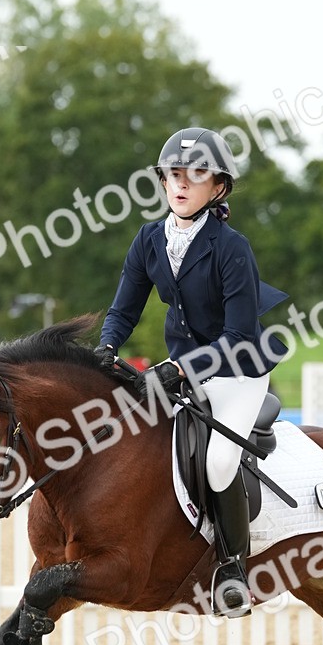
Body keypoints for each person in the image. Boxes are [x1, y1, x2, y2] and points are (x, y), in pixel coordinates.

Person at [96, 127, 288, 617]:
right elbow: (123, 309)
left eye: (195, 176)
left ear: (217, 188)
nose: (181, 184)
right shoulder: (148, 239)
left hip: (238, 374)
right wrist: (106, 346)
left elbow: (240, 335)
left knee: (220, 463)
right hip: (182, 370)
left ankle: (233, 569)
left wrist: (179, 368)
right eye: (173, 175)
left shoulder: (231, 247)